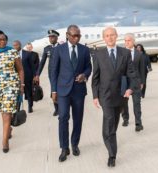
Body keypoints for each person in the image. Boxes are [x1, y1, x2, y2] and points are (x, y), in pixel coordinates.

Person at [91, 27, 137, 167]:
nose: (110, 38)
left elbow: (131, 73)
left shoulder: (125, 53)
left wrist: (130, 88)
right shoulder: (98, 54)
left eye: (112, 35)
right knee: (110, 121)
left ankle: (108, 136)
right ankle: (112, 155)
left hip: (121, 95)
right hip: (105, 95)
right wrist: (95, 96)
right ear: (104, 38)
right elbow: (96, 77)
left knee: (113, 123)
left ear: (117, 36)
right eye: (107, 35)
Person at [51, 25, 92, 162]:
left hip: (79, 90)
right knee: (63, 117)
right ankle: (64, 148)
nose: (76, 38)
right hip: (62, 90)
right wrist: (54, 90)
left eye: (78, 36)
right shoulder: (58, 50)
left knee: (78, 118)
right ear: (67, 35)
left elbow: (88, 67)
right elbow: (53, 71)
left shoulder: (84, 50)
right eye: (74, 35)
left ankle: (74, 144)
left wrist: (84, 75)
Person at [121, 33, 145, 132]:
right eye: (125, 40)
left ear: (133, 41)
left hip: (136, 82)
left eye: (129, 40)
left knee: (137, 103)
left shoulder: (139, 54)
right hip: (124, 82)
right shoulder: (121, 53)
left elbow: (142, 69)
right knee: (123, 103)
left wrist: (142, 82)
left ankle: (138, 123)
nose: (127, 42)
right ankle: (125, 119)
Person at [34, 29, 60, 116]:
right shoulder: (47, 49)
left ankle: (62, 107)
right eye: (50, 37)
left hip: (62, 74)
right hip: (52, 74)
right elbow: (42, 63)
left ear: (56, 38)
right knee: (53, 91)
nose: (51, 38)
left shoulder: (62, 47)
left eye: (52, 37)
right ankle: (57, 109)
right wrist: (37, 74)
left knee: (60, 91)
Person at [13, 40, 35, 113]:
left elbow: (32, 66)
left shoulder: (27, 54)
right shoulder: (12, 55)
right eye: (14, 45)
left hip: (27, 76)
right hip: (17, 77)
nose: (15, 47)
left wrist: (34, 76)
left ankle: (30, 106)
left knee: (28, 92)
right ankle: (18, 108)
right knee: (18, 93)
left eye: (16, 45)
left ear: (20, 45)